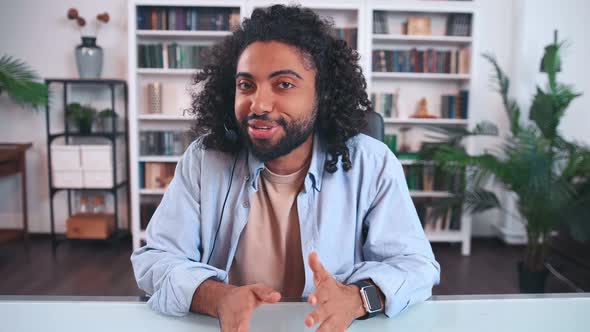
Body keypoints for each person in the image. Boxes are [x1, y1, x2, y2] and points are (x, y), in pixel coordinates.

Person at [131, 4, 440, 332]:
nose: (259, 105)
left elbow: (417, 265)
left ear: (322, 94)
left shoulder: (372, 164)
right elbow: (155, 260)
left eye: (284, 85)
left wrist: (357, 298)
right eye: (246, 85)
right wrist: (216, 297)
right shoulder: (204, 160)